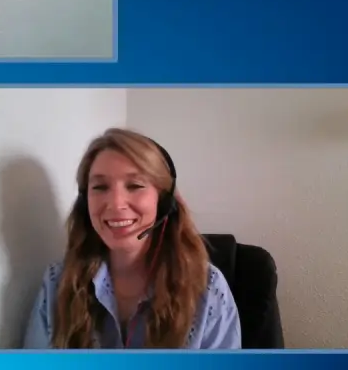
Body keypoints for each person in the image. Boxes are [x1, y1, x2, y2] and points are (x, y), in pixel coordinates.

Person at [22, 128, 241, 349]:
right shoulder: (57, 283)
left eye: (135, 186)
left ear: (164, 201)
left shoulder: (208, 288)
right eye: (100, 187)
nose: (116, 204)